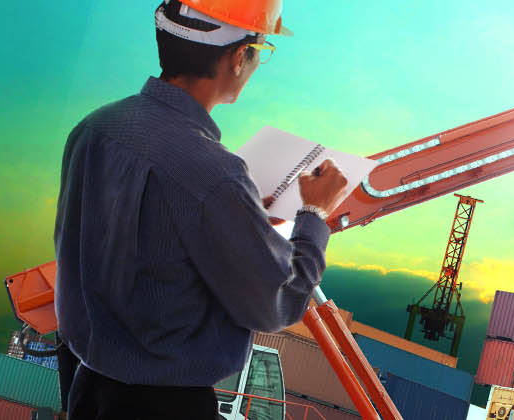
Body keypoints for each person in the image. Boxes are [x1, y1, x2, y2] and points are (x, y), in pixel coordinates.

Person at [53, 1, 347, 418]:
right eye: (260, 50)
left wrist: (240, 213)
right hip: (167, 408)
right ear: (238, 57)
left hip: (88, 391)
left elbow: (140, 244)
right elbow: (276, 302)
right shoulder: (216, 176)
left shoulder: (93, 129)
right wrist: (315, 215)